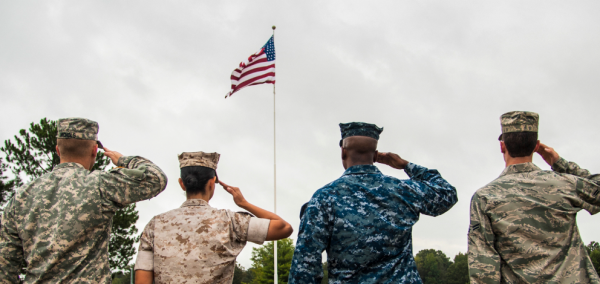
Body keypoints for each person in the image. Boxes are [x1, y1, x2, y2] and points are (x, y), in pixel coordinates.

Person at [0, 117, 168, 283]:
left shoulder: (21, 197)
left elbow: (4, 268)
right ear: (95, 150)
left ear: (58, 150)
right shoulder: (100, 185)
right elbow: (156, 178)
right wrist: (123, 160)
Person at [288, 122, 458, 283]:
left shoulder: (323, 198)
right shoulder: (404, 190)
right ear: (376, 155)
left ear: (343, 152)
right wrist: (406, 165)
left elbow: (305, 265)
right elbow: (446, 194)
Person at [468, 111, 600, 283]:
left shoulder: (485, 198)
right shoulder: (565, 185)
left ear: (502, 146)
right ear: (536, 146)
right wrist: (559, 163)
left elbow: (483, 268)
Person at [134, 151, 293, 284]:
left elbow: (142, 279)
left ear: (182, 183)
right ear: (212, 183)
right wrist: (243, 203)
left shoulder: (155, 224)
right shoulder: (231, 222)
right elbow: (284, 228)